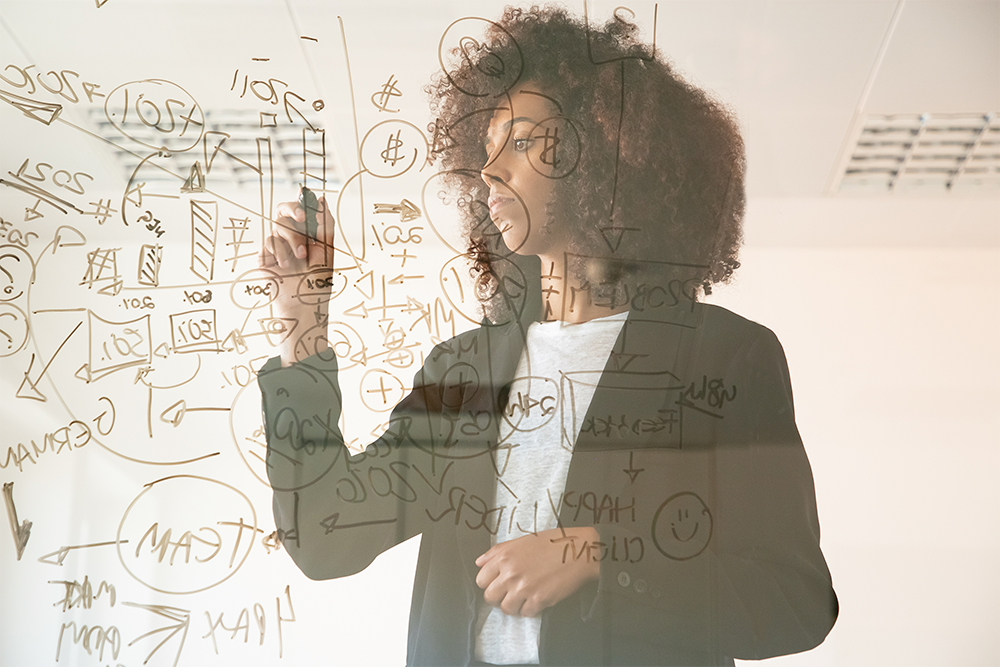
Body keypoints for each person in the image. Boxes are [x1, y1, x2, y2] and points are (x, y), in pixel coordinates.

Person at [257, 6, 837, 666]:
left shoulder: (726, 357)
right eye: (488, 145)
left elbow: (794, 600)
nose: (490, 171)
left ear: (611, 157)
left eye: (524, 141)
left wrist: (597, 553)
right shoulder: (465, 368)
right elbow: (327, 534)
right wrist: (301, 318)